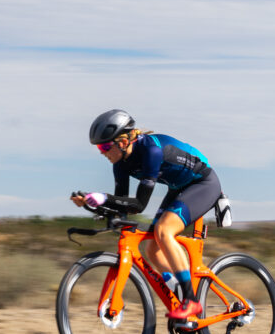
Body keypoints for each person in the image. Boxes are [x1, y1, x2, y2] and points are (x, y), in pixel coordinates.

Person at [71, 109, 222, 321]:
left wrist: (104, 198)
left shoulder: (151, 151)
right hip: (178, 187)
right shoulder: (120, 165)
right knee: (153, 250)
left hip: (203, 183)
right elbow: (123, 206)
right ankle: (178, 288)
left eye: (105, 146)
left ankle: (191, 301)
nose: (101, 152)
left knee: (164, 231)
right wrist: (90, 203)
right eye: (99, 147)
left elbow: (139, 204)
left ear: (123, 141)